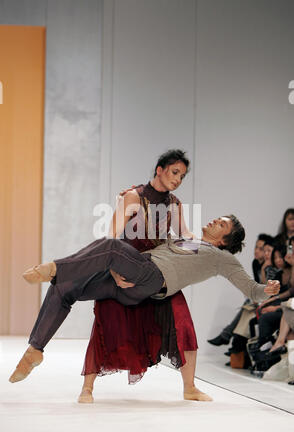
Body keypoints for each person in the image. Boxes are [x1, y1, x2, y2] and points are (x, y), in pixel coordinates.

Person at [9, 212, 280, 387]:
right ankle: (35, 350)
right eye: (218, 218)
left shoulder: (222, 259)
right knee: (63, 289)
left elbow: (251, 289)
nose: (214, 221)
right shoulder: (185, 240)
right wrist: (116, 270)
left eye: (221, 225)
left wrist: (266, 290)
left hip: (151, 280)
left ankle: (54, 267)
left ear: (224, 240)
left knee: (111, 245)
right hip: (131, 276)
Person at [79, 150, 207, 403]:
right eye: (174, 172)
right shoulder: (132, 197)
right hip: (125, 272)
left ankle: (190, 387)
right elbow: (112, 237)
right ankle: (87, 387)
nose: (178, 179)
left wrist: (206, 247)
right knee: (105, 325)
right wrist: (113, 271)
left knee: (182, 321)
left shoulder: (175, 204)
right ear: (159, 170)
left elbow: (185, 236)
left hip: (158, 275)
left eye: (182, 176)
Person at [207, 233, 271, 347]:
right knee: (247, 306)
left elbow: (267, 288)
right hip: (260, 298)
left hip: (269, 298)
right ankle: (234, 346)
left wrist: (264, 269)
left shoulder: (270, 267)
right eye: (256, 247)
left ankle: (227, 337)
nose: (256, 251)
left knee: (247, 307)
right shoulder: (255, 263)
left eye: (261, 249)